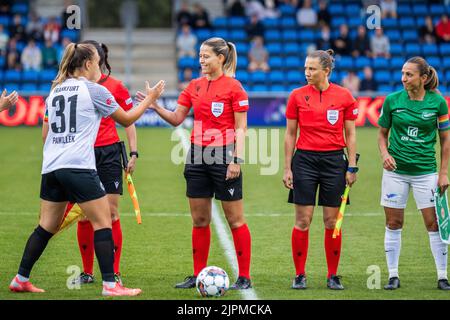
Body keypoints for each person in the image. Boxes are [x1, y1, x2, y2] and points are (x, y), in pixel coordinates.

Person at [8, 42, 164, 296]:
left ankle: (20, 278)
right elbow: (126, 118)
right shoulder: (94, 90)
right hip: (79, 165)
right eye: (97, 62)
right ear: (89, 64)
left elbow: (45, 134)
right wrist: (150, 99)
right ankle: (111, 285)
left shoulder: (55, 92)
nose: (100, 67)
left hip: (51, 167)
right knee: (103, 222)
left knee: (46, 226)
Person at [136, 37, 253, 290]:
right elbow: (177, 118)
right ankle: (198, 274)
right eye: (200, 56)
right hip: (197, 156)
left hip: (225, 155)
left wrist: (237, 160)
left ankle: (244, 277)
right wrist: (154, 106)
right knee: (200, 219)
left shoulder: (235, 88)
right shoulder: (194, 86)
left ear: (220, 58)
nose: (201, 60)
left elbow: (241, 128)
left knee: (235, 220)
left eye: (206, 56)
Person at [42, 40, 140, 286]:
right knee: (84, 216)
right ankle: (87, 271)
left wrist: (134, 152)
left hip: (107, 152)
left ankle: (113, 272)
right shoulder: (71, 87)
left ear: (99, 59)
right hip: (80, 156)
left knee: (112, 213)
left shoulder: (114, 86)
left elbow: (128, 121)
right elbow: (48, 123)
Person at [283, 49, 358, 290]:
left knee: (331, 221)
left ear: (326, 70)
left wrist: (352, 166)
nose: (307, 72)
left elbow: (351, 133)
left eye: (312, 69)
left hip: (335, 162)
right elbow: (290, 134)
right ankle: (299, 274)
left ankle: (333, 275)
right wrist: (287, 167)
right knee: (303, 220)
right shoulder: (296, 96)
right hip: (304, 161)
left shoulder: (344, 96)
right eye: (305, 68)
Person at [377, 56, 450, 290]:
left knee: (434, 224)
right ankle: (393, 275)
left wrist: (443, 172)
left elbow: (445, 140)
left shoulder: (438, 103)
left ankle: (442, 276)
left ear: (424, 78)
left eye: (409, 74)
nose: (403, 78)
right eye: (402, 73)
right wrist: (385, 155)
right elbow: (381, 135)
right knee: (393, 222)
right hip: (395, 173)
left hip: (426, 172)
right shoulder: (392, 101)